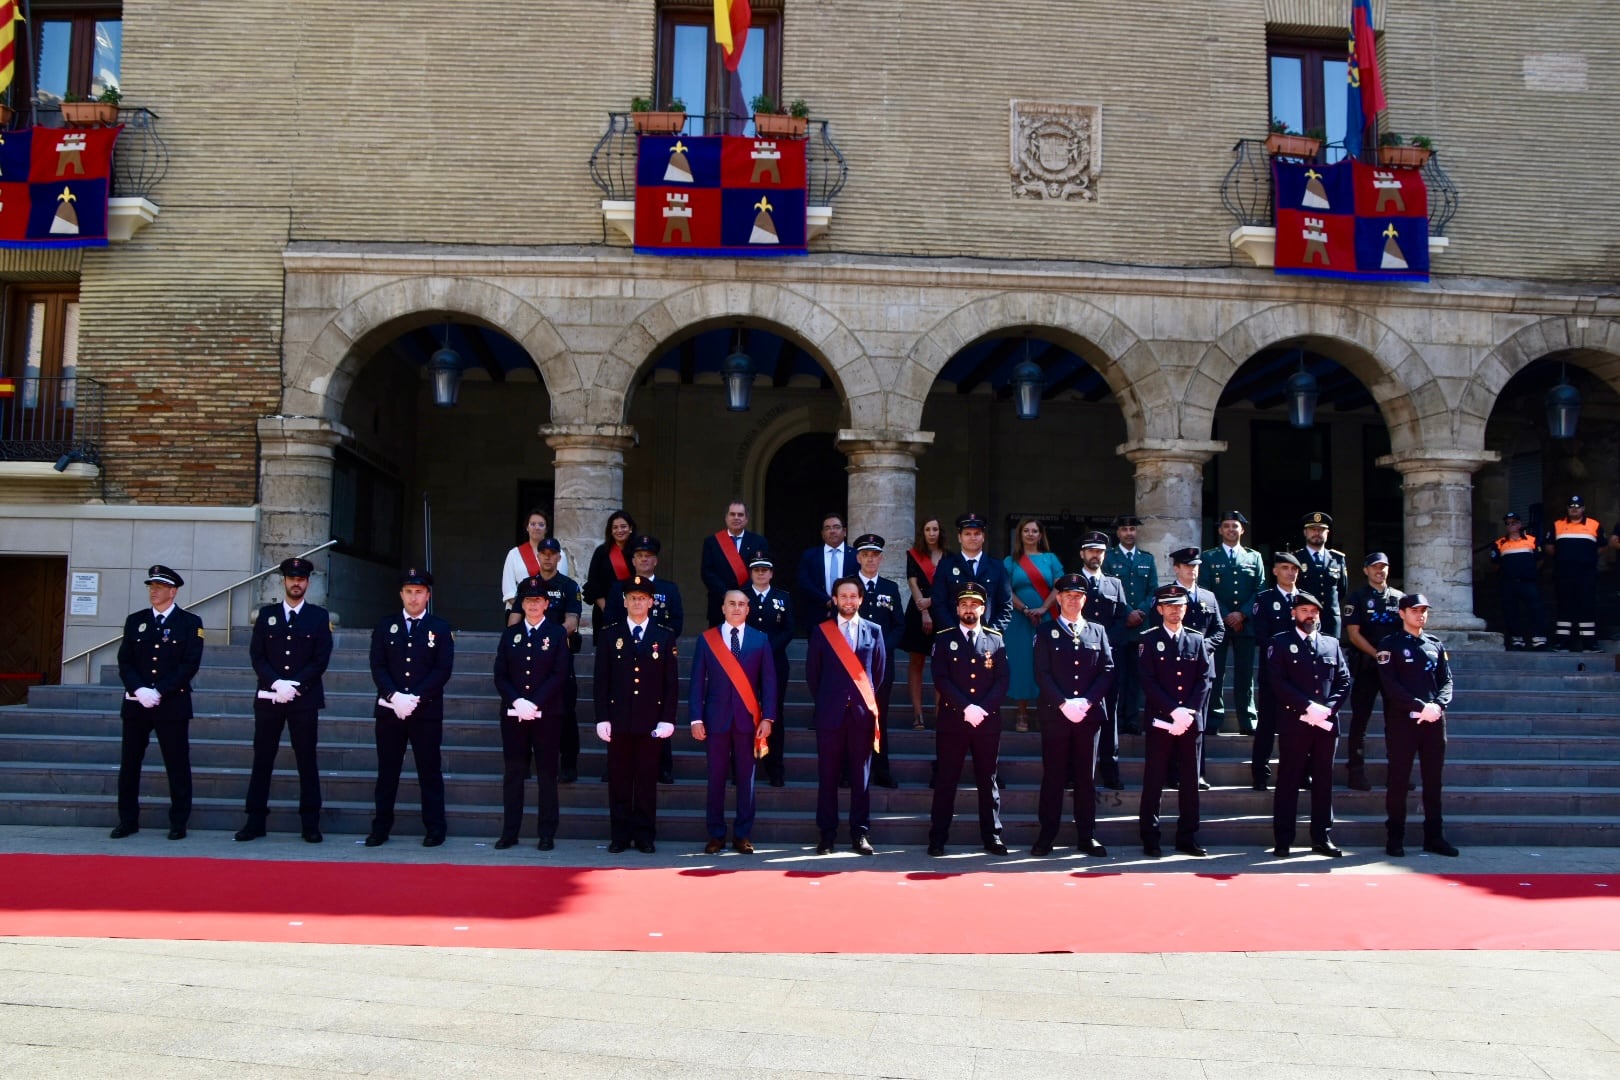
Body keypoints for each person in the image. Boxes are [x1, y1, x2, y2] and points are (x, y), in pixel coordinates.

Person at [237, 557, 332, 844]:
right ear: (283, 581)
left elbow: (320, 659)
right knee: (262, 759)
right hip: (269, 698)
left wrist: (296, 685)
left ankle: (310, 823)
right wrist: (277, 683)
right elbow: (258, 655)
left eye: (301, 579)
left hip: (304, 700)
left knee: (306, 760)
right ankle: (255, 821)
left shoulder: (318, 617)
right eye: (291, 578)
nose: (296, 583)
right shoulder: (267, 616)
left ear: (308, 582)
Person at [111, 565, 205, 840]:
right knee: (130, 764)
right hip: (137, 702)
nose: (154, 591)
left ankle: (178, 822)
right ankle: (127, 820)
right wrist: (139, 689)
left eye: (160, 587)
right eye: (151, 586)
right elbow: (125, 660)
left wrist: (159, 690)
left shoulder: (190, 623)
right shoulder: (135, 620)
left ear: (173, 591)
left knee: (176, 764)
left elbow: (189, 664)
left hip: (171, 703)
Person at [366, 568, 456, 848]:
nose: (413, 597)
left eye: (419, 592)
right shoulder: (385, 626)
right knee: (387, 771)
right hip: (390, 711)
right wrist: (394, 696)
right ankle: (380, 828)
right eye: (408, 592)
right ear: (401, 594)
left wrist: (415, 697)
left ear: (428, 595)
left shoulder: (439, 628)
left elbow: (442, 669)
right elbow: (378, 665)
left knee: (429, 771)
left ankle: (435, 828)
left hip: (425, 712)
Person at [1030, 573, 1115, 857]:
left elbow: (1107, 670)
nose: (1073, 600)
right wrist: (1064, 703)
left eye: (1078, 596)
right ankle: (1047, 835)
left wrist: (1087, 702)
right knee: (1053, 777)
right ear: (1059, 599)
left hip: (1088, 717)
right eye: (1067, 596)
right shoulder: (1045, 632)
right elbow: (1042, 673)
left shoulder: (1098, 631)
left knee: (1085, 779)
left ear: (1084, 600)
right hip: (1057, 714)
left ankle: (1086, 836)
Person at [594, 575, 680, 854]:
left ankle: (645, 835)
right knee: (619, 780)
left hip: (650, 721)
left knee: (645, 781)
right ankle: (619, 835)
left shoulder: (664, 636)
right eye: (632, 598)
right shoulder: (610, 634)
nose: (637, 602)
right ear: (625, 601)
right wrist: (602, 717)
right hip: (618, 720)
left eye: (642, 598)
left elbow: (671, 683)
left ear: (651, 602)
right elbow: (601, 681)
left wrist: (667, 718)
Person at [690, 589, 778, 854]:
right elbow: (696, 683)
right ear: (723, 608)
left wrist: (769, 717)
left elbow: (770, 683)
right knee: (715, 778)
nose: (737, 608)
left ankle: (742, 835)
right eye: (732, 604)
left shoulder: (760, 640)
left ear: (748, 609)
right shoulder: (708, 639)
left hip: (747, 721)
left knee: (746, 780)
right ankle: (716, 834)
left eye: (742, 604)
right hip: (715, 720)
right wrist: (696, 718)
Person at [1266, 590, 1352, 858]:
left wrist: (1328, 709)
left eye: (1314, 611)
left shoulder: (1331, 644)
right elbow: (1277, 682)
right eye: (1304, 611)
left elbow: (1344, 681)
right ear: (1294, 613)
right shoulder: (1280, 643)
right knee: (1289, 779)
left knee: (1324, 781)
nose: (1310, 616)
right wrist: (1307, 706)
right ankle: (1283, 838)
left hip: (1326, 724)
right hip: (1296, 721)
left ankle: (1322, 837)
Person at [926, 583, 1010, 857]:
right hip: (954, 720)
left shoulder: (995, 639)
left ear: (983, 609)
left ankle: (993, 836)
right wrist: (965, 707)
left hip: (986, 721)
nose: (969, 609)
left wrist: (982, 709)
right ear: (957, 608)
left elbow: (1002, 680)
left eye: (974, 605)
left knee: (988, 780)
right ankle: (938, 837)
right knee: (947, 779)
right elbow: (941, 678)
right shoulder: (943, 638)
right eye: (964, 605)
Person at [805, 577, 887, 855]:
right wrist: (831, 700)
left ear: (861, 600)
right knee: (827, 777)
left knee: (860, 778)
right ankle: (826, 835)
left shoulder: (874, 631)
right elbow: (813, 675)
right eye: (844, 596)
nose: (849, 601)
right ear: (835, 599)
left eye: (854, 597)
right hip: (830, 716)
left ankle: (859, 834)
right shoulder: (821, 632)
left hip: (862, 717)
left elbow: (880, 672)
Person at [1136, 584, 1215, 859]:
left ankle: (1188, 836)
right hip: (1161, 721)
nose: (1174, 611)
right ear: (1159, 609)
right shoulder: (1148, 639)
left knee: (1190, 782)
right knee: (1154, 779)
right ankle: (1150, 837)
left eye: (1179, 606)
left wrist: (1189, 711)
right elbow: (1148, 680)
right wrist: (1173, 711)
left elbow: (1205, 679)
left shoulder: (1197, 640)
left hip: (1191, 722)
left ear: (1186, 608)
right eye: (1168, 606)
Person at [492, 576, 571, 850]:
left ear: (546, 603)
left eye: (538, 600)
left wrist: (534, 703)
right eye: (528, 600)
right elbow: (500, 675)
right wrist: (517, 702)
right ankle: (509, 832)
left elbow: (560, 674)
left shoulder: (557, 634)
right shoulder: (510, 634)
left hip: (546, 715)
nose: (533, 604)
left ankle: (547, 832)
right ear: (521, 604)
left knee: (547, 774)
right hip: (514, 716)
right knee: (514, 773)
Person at [1377, 593, 1458, 858]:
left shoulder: (1434, 644)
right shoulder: (1390, 644)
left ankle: (1434, 837)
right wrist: (1418, 705)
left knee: (1433, 782)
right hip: (1403, 722)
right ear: (1402, 613)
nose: (1420, 614)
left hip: (1433, 722)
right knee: (1399, 780)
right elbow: (1390, 686)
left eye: (1424, 610)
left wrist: (1437, 705)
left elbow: (1446, 681)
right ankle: (1395, 837)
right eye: (1414, 610)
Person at [603, 535, 683, 784]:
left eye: (648, 555)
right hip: (624, 653)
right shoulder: (619, 588)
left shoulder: (668, 589)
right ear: (633, 560)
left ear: (655, 560)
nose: (644, 559)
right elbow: (611, 620)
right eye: (639, 555)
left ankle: (663, 767)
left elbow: (676, 621)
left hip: (657, 655)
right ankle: (615, 767)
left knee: (658, 709)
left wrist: (657, 643)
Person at [1152, 548, 1224, 791]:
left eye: (1195, 566)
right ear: (1176, 569)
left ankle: (1197, 773)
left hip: (1200, 671)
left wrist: (1201, 648)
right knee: (1170, 719)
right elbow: (1156, 630)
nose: (1192, 570)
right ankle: (1171, 773)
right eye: (1186, 566)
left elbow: (1219, 630)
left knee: (1196, 723)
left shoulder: (1209, 597)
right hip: (1168, 669)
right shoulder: (1164, 596)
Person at [1197, 509, 1264, 736]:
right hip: (1218, 623)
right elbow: (1206, 589)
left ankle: (1248, 719)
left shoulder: (1254, 557)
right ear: (1219, 530)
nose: (1231, 530)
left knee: (1245, 675)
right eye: (1226, 526)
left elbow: (1260, 590)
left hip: (1246, 624)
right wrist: (1226, 615)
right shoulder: (1209, 557)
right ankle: (1213, 718)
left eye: (1235, 526)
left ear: (1242, 530)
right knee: (1216, 673)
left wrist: (1242, 614)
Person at [1344, 552, 1404, 792]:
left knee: (1397, 723)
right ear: (1366, 570)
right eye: (1375, 567)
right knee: (1360, 720)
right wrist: (1377, 655)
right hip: (1367, 666)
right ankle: (1356, 772)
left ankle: (1398, 773)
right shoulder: (1357, 597)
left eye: (1384, 567)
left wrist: (1392, 658)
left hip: (1394, 670)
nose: (1380, 571)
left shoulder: (1400, 598)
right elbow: (1354, 634)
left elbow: (1407, 631)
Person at [1074, 531, 1130, 791]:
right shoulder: (1072, 583)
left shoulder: (1114, 584)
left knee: (1109, 718)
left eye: (1100, 551)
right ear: (1082, 554)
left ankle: (1110, 770)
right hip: (1078, 661)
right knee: (1078, 717)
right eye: (1091, 551)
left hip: (1108, 662)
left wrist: (1106, 645)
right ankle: (1076, 773)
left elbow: (1121, 619)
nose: (1096, 555)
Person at [527, 538, 584, 783]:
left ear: (559, 557)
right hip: (529, 661)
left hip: (560, 658)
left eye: (553, 553)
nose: (548, 557)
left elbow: (572, 622)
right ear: (537, 556)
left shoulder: (569, 586)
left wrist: (545, 639)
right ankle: (530, 764)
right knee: (529, 711)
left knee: (566, 712)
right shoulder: (527, 585)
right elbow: (514, 621)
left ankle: (569, 764)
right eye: (544, 553)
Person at [1248, 552, 1304, 792]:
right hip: (1274, 673)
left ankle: (1302, 773)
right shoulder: (1265, 599)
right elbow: (1262, 636)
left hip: (1302, 676)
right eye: (1285, 568)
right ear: (1275, 571)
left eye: (1294, 569)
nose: (1290, 573)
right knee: (1267, 726)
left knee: (1301, 728)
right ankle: (1260, 772)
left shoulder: (1305, 600)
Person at [854, 534, 904, 788]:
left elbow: (898, 626)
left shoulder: (890, 588)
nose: (870, 559)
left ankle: (881, 770)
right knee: (852, 718)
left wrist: (882, 649)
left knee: (879, 718)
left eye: (874, 555)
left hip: (882, 666)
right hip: (853, 667)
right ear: (858, 558)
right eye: (865, 555)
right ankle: (850, 770)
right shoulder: (849, 587)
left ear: (881, 558)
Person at [1003, 517, 1062, 733]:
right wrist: (1026, 609)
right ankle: (1022, 712)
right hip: (1019, 620)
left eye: (1034, 531)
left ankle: (1045, 711)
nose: (1030, 534)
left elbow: (1059, 587)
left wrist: (1044, 608)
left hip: (1047, 618)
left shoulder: (1051, 559)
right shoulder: (1011, 561)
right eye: (1026, 530)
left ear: (1040, 534)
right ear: (1020, 534)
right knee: (1022, 663)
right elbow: (1006, 590)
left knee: (1046, 663)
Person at [1102, 514, 1156, 733]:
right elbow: (1107, 590)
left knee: (1136, 676)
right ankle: (1117, 720)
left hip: (1141, 627)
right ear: (1118, 533)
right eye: (1124, 530)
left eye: (1132, 529)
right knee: (1118, 675)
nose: (1129, 533)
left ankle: (1132, 720)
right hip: (1118, 626)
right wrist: (1127, 613)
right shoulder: (1109, 558)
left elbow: (1153, 590)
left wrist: (1140, 611)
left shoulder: (1147, 559)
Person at [745, 553, 794, 787]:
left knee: (774, 715)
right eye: (756, 570)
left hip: (775, 663)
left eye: (765, 570)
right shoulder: (741, 597)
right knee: (745, 715)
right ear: (751, 573)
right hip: (745, 664)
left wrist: (766, 650)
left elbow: (789, 629)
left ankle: (776, 770)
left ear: (771, 573)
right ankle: (742, 768)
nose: (761, 573)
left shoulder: (782, 598)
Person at [1547, 495, 1620, 650]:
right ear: (1567, 509)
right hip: (1564, 573)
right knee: (1564, 607)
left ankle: (1589, 643)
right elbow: (1549, 547)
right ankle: (1562, 641)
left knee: (1587, 606)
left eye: (1577, 506)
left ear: (1583, 508)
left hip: (1586, 574)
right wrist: (1565, 558)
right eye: (1571, 506)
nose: (1574, 509)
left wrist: (1586, 559)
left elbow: (1601, 546)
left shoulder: (1594, 525)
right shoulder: (1557, 525)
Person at [900, 516, 947, 730]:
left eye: (935, 529)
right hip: (918, 611)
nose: (932, 533)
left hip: (943, 612)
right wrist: (925, 611)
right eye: (928, 529)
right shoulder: (914, 555)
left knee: (941, 664)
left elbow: (949, 587)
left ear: (940, 532)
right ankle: (917, 713)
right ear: (923, 532)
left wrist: (934, 604)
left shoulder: (949, 557)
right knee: (916, 662)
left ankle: (941, 713)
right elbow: (912, 582)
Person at [932, 512, 1013, 635]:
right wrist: (955, 632)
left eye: (977, 534)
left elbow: (1005, 606)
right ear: (959, 537)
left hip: (988, 638)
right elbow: (938, 604)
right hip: (953, 638)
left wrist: (991, 633)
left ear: (983, 537)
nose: (972, 537)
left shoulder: (997, 567)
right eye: (967, 534)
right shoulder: (945, 566)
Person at [700, 500, 767, 628]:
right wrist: (726, 594)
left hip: (749, 602)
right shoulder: (712, 542)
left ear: (746, 519)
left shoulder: (759, 542)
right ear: (726, 518)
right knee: (719, 645)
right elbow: (707, 572)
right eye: (732, 514)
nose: (736, 518)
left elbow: (761, 570)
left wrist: (743, 594)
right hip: (720, 602)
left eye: (740, 515)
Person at [501, 507, 571, 625]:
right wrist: (529, 609)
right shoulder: (514, 554)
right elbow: (509, 589)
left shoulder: (560, 555)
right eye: (532, 524)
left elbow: (560, 585)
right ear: (527, 527)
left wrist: (542, 610)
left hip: (550, 614)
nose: (537, 527)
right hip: (519, 614)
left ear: (546, 529)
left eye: (541, 524)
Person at [1492, 511, 1547, 651]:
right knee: (1511, 612)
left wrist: (1530, 571)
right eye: (1508, 523)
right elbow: (1495, 564)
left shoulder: (1532, 540)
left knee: (1536, 610)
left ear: (1520, 524)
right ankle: (1517, 640)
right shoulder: (1500, 543)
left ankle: (1538, 640)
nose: (1511, 525)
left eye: (1514, 522)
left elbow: (1540, 559)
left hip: (1528, 582)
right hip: (1509, 583)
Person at [796, 511, 856, 635]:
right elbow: (803, 582)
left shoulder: (855, 555)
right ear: (822, 534)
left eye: (836, 527)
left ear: (844, 532)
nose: (832, 531)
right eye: (827, 528)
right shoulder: (810, 555)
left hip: (849, 613)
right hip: (817, 614)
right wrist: (827, 601)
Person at [1294, 512, 1349, 639]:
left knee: (1330, 657)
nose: (1317, 533)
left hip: (1330, 620)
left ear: (1327, 533)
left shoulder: (1337, 559)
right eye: (1313, 529)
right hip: (1305, 619)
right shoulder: (1296, 558)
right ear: (1305, 532)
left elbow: (1342, 590)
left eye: (1321, 530)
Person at [583, 509, 637, 632]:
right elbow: (593, 582)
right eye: (615, 527)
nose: (619, 530)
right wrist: (607, 609)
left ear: (630, 528)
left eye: (623, 526)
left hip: (635, 610)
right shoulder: (601, 552)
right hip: (605, 611)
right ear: (610, 531)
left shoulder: (638, 552)